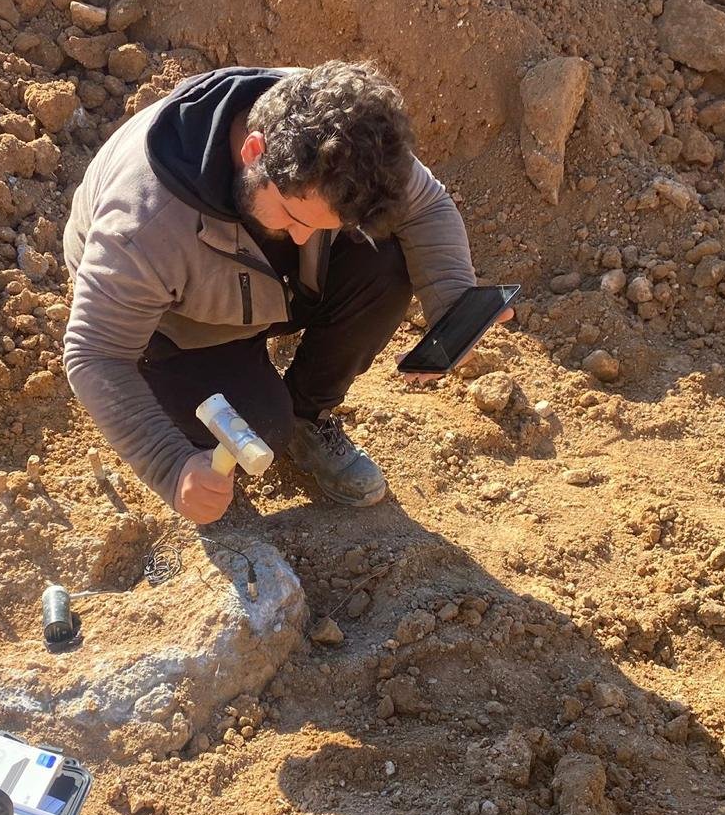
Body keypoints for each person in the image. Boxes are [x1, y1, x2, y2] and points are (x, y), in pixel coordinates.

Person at [62, 60, 503, 524]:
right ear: (255, 150)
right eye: (294, 217)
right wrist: (171, 467)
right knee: (259, 428)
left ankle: (308, 417)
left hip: (268, 287)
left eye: (320, 226)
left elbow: (427, 204)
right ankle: (210, 421)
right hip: (177, 318)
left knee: (386, 259)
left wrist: (454, 302)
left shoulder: (343, 136)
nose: (301, 237)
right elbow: (95, 354)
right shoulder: (144, 225)